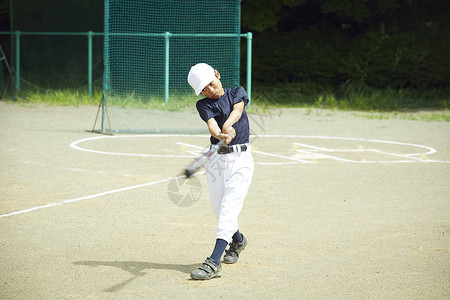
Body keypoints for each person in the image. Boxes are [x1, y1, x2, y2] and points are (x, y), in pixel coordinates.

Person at [187, 63, 254, 280]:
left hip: (241, 159)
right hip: (216, 160)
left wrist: (229, 126)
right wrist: (220, 133)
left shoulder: (237, 92)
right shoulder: (203, 105)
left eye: (211, 83)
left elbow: (237, 110)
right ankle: (238, 240)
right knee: (220, 210)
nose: (210, 90)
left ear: (218, 74)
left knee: (228, 208)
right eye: (204, 89)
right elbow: (212, 127)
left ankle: (214, 262)